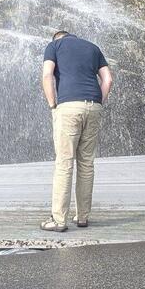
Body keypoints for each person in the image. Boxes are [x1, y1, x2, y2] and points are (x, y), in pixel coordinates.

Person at [40, 28, 113, 232]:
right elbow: (108, 79)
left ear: (57, 38)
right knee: (86, 164)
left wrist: (52, 105)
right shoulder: (93, 47)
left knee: (64, 163)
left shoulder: (54, 46)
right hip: (93, 106)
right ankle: (82, 217)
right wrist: (99, 102)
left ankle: (58, 220)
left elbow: (47, 75)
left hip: (69, 107)